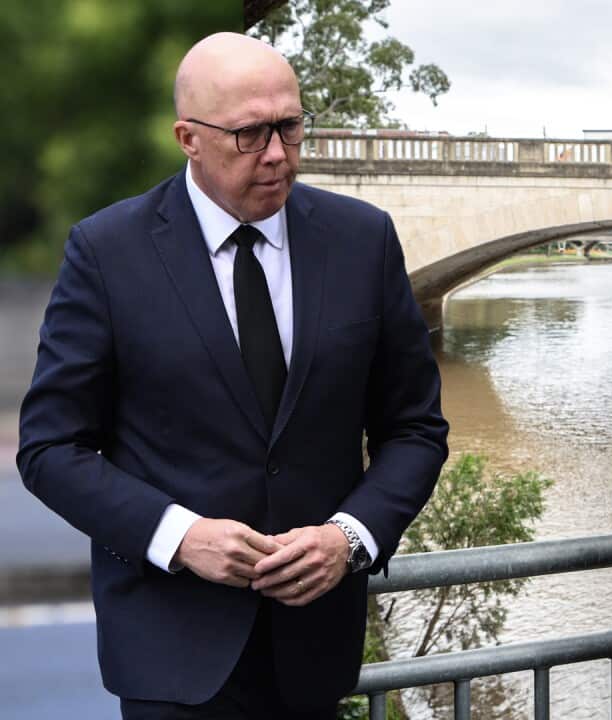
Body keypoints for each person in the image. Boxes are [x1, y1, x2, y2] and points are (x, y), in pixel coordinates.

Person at [16, 33, 449, 718]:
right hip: (169, 656)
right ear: (188, 138)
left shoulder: (363, 239)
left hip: (315, 652)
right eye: (250, 134)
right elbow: (50, 448)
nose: (277, 153)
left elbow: (415, 428)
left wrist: (349, 537)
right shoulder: (106, 252)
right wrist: (180, 537)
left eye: (290, 126)